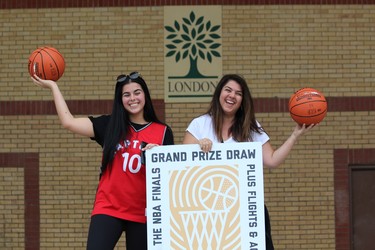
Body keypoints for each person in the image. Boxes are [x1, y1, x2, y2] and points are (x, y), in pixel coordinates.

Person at [31, 72, 174, 250]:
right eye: (126, 94)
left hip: (144, 213)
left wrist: (158, 156)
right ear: (120, 99)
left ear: (145, 94)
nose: (132, 98)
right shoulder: (110, 125)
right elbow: (68, 122)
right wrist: (54, 87)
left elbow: (171, 178)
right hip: (108, 208)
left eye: (137, 92)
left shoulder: (162, 132)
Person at [182, 74, 314, 250]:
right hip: (211, 211)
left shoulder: (251, 128)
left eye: (238, 93)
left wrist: (294, 136)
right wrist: (197, 146)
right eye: (228, 90)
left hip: (248, 209)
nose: (232, 96)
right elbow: (182, 165)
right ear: (219, 93)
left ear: (242, 100)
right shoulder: (199, 124)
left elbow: (272, 160)